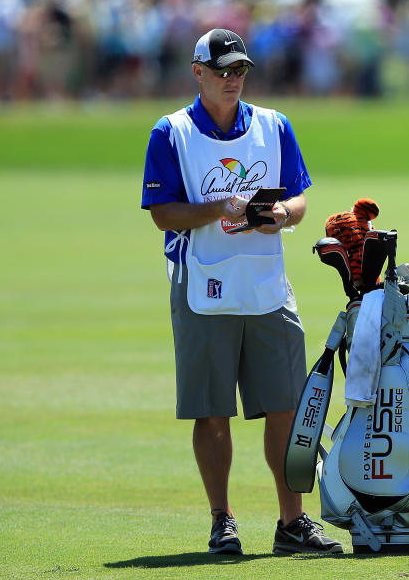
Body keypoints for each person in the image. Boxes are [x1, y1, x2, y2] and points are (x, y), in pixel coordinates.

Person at [140, 28, 342, 555]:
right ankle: (222, 519)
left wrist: (280, 214)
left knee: (286, 408)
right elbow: (163, 214)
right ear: (198, 73)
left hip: (267, 285)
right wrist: (219, 208)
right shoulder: (172, 133)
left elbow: (298, 197)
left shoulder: (274, 126)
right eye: (222, 70)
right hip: (202, 285)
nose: (232, 80)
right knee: (212, 411)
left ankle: (292, 523)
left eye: (240, 71)